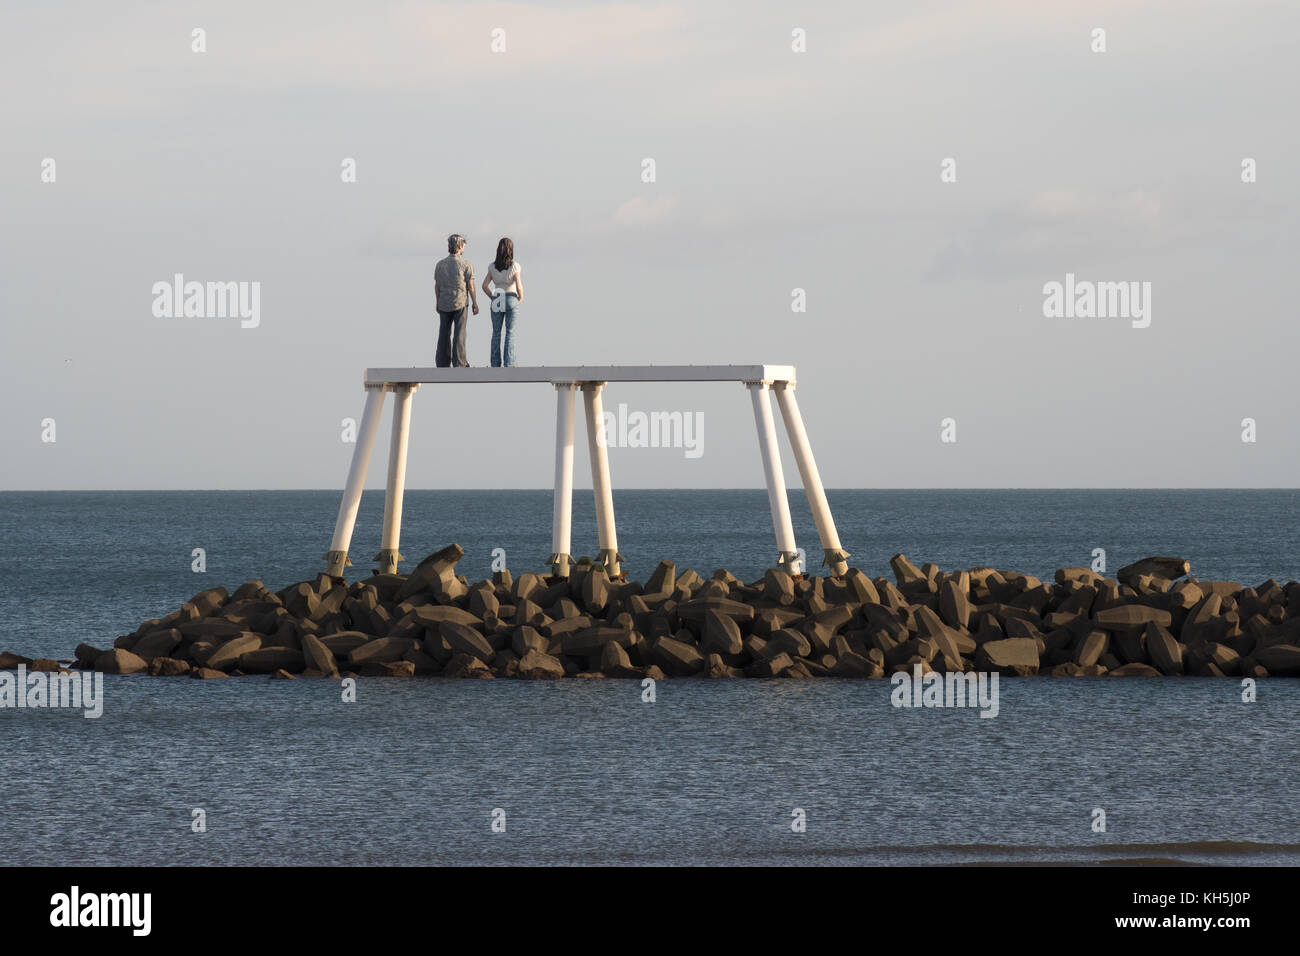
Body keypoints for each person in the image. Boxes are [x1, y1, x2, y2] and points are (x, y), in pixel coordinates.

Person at [434, 234, 479, 367]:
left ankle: (442, 362)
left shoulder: (440, 264)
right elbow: (470, 286)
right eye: (463, 245)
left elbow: (437, 286)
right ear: (459, 246)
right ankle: (459, 362)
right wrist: (475, 303)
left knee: (444, 333)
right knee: (459, 333)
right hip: (460, 303)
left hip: (444, 303)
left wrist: (437, 302)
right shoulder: (466, 265)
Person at [482, 237, 523, 367]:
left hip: (497, 297)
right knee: (510, 332)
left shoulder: (492, 267)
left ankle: (495, 362)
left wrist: (493, 297)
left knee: (496, 332)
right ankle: (509, 363)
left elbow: (484, 285)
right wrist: (520, 297)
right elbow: (518, 285)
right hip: (511, 297)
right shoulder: (515, 266)